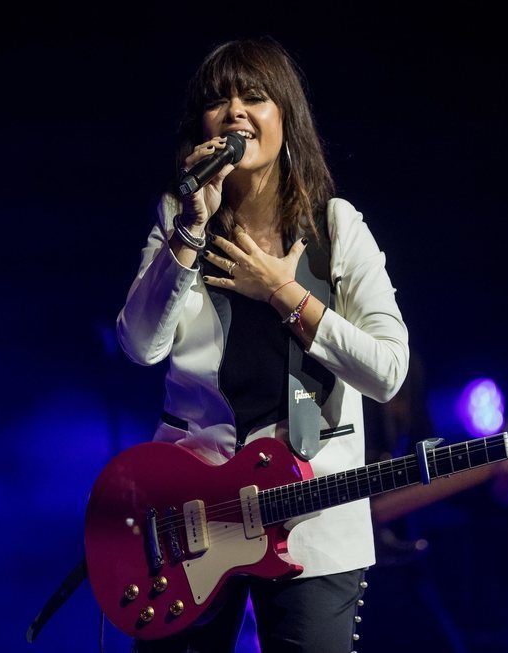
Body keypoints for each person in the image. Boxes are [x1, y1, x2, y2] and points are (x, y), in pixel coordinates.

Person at [116, 37, 410, 652]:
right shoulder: (179, 216)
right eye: (218, 101)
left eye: (255, 97)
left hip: (313, 523)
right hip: (194, 517)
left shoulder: (335, 226)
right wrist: (191, 229)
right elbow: (140, 345)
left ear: (286, 118)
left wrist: (286, 294)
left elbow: (387, 372)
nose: (235, 112)